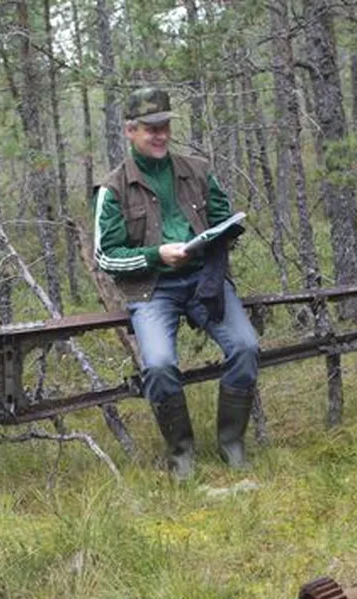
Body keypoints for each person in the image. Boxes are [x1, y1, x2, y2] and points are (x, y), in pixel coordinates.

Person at [93, 86, 257, 480]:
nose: (160, 134)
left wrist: (219, 242)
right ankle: (181, 454)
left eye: (164, 126)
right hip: (152, 290)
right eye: (151, 128)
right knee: (161, 365)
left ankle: (231, 444)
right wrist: (156, 255)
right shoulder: (112, 189)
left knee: (247, 347)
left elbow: (222, 220)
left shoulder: (197, 170)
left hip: (205, 282)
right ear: (130, 131)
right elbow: (106, 257)